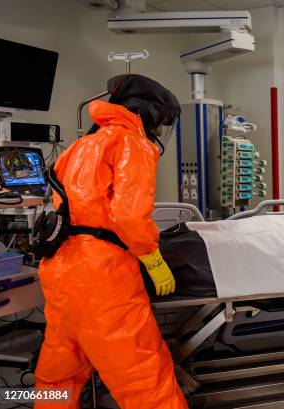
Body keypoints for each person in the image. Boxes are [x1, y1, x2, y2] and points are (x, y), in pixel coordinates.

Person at [34, 75, 188, 409]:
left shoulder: (79, 146)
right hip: (103, 279)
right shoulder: (131, 143)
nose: (160, 130)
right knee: (145, 380)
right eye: (161, 122)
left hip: (61, 272)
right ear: (148, 113)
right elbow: (129, 215)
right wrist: (153, 260)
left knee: (57, 377)